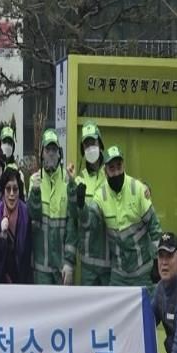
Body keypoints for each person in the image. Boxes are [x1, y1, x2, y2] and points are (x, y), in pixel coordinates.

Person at [77, 145, 162, 288]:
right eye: (112, 168)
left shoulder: (137, 189)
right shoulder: (101, 195)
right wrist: (81, 206)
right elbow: (90, 223)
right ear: (105, 171)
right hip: (119, 275)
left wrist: (156, 261)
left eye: (119, 166)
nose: (116, 172)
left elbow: (155, 228)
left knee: (148, 303)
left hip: (143, 272)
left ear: (124, 166)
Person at [28, 129, 76, 285]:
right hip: (41, 268)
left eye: (54, 149)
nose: (51, 154)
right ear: (42, 153)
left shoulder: (67, 180)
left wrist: (69, 262)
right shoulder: (34, 180)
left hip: (62, 268)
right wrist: (35, 192)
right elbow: (33, 215)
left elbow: (72, 224)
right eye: (47, 149)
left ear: (59, 153)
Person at [67, 121, 109, 286]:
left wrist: (144, 188)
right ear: (82, 150)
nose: (90, 147)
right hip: (87, 266)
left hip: (110, 263)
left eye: (93, 142)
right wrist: (69, 263)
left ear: (100, 144)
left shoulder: (111, 175)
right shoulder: (79, 180)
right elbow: (73, 221)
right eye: (86, 144)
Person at [0, 168, 32, 284]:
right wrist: (2, 234)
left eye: (15, 189)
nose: (12, 194)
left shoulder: (26, 213)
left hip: (21, 279)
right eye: (8, 189)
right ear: (3, 191)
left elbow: (27, 254)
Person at [0, 126, 26, 198]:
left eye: (9, 143)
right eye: (4, 142)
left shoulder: (18, 173)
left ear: (13, 147)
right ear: (0, 143)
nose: (7, 145)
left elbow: (22, 198)